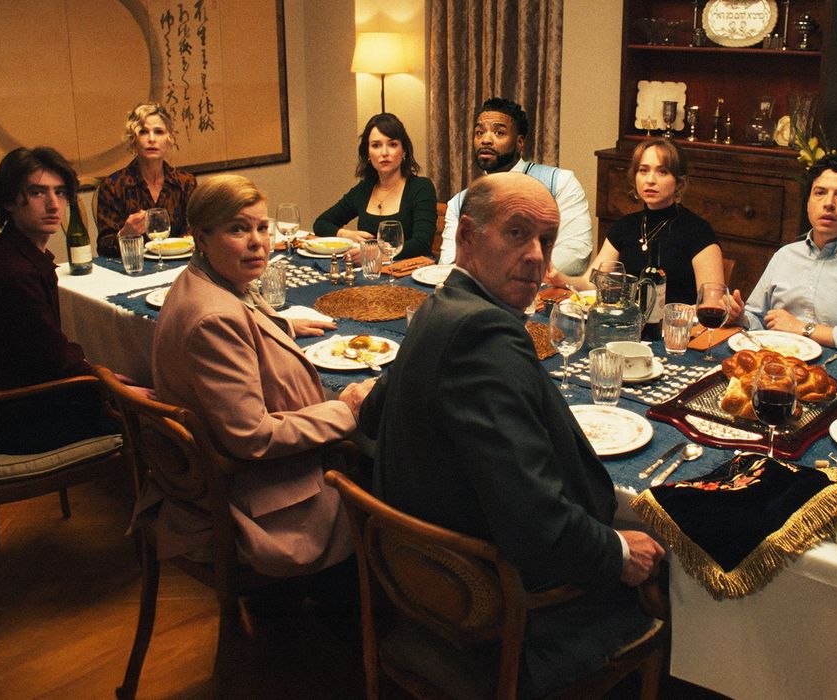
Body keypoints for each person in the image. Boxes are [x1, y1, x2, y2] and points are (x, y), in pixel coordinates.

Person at [358, 172, 665, 696]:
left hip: (420, 581)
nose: (537, 257)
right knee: (663, 564)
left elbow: (369, 420)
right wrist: (616, 553)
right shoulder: (485, 334)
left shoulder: (438, 306)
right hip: (505, 613)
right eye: (517, 233)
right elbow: (535, 522)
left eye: (546, 240)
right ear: (467, 238)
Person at [140, 174, 373, 577]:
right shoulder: (215, 319)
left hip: (233, 475)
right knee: (387, 457)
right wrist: (346, 410)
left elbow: (240, 320)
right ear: (201, 237)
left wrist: (276, 325)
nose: (257, 241)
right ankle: (362, 608)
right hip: (258, 500)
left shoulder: (204, 281)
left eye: (261, 227)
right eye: (237, 228)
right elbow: (255, 437)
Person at [0, 147, 126, 454]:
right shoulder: (15, 271)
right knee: (142, 415)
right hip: (4, 420)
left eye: (60, 192)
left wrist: (97, 373)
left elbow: (45, 351)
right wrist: (106, 381)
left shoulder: (5, 249)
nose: (53, 204)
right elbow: (51, 360)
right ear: (8, 201)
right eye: (37, 192)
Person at [727, 152, 837, 355]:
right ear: (808, 202)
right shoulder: (785, 255)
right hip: (774, 365)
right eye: (820, 193)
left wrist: (804, 329)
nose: (828, 203)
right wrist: (740, 317)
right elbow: (758, 318)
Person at [546, 137, 724, 304]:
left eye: (662, 172)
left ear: (678, 183)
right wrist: (561, 279)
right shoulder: (625, 226)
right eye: (643, 170)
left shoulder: (698, 231)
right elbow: (592, 284)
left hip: (677, 331)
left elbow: (711, 303)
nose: (650, 180)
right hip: (628, 326)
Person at [436, 97, 593, 275]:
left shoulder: (560, 183)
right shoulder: (459, 203)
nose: (485, 140)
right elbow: (449, 263)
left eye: (499, 133)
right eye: (479, 133)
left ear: (520, 142)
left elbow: (576, 254)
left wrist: (510, 272)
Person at [311, 112, 437, 260]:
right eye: (376, 145)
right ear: (368, 154)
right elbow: (320, 223)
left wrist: (377, 253)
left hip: (408, 275)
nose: (384, 153)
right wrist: (347, 235)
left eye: (392, 145)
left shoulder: (421, 188)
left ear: (404, 151)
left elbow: (422, 244)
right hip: (370, 273)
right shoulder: (364, 189)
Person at [95, 103, 197, 257]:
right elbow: (103, 248)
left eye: (158, 132)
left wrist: (189, 238)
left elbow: (195, 230)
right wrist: (125, 233)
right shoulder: (113, 185)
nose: (151, 139)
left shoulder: (185, 182)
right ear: (133, 139)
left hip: (179, 266)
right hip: (133, 269)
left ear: (170, 139)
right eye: (143, 132)